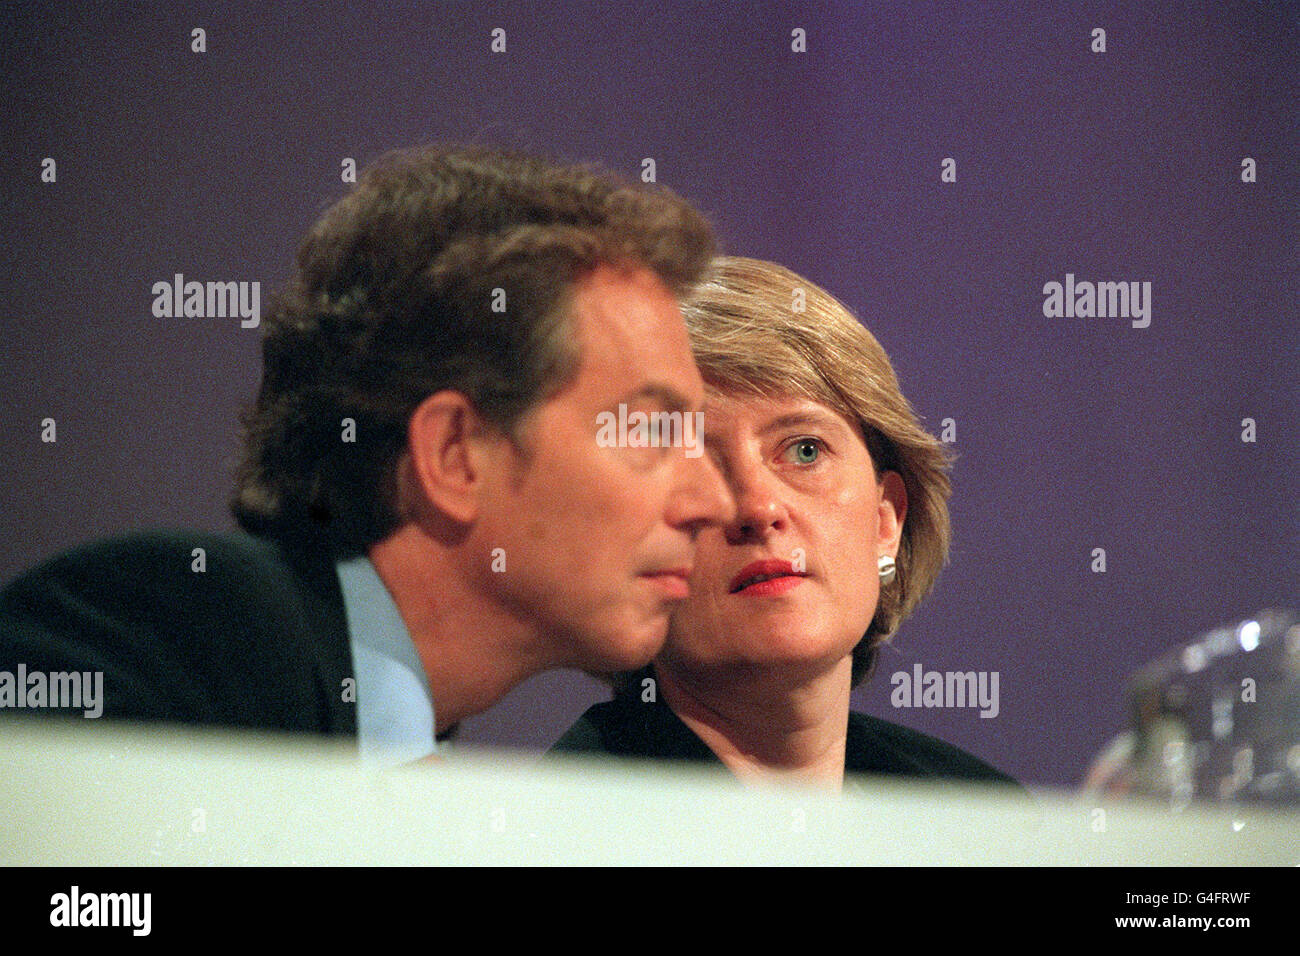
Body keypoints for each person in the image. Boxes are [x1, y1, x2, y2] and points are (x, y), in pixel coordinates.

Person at [0, 144, 733, 767]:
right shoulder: (180, 634)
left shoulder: (398, 749)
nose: (714, 503)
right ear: (454, 455)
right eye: (650, 430)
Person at [551, 256, 1019, 792]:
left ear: (885, 522)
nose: (758, 508)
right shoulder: (560, 833)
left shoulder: (980, 817)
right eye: (690, 466)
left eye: (803, 450)